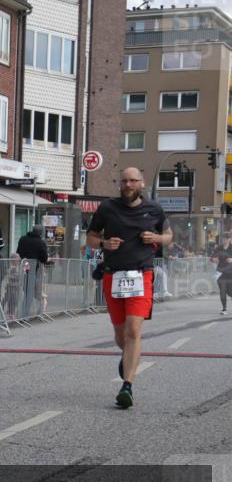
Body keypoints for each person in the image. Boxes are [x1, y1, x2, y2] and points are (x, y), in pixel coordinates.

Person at [86, 167, 171, 409]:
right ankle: (128, 357)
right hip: (113, 276)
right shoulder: (107, 208)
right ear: (120, 184)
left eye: (133, 180)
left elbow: (168, 235)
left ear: (141, 183)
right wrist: (104, 243)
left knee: (134, 330)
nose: (128, 184)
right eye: (124, 181)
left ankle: (127, 386)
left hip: (141, 275)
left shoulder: (154, 209)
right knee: (121, 335)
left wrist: (156, 239)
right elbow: (90, 238)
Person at [16, 224, 53, 317]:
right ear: (41, 233)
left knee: (26, 291)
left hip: (24, 268)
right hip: (35, 270)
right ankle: (25, 314)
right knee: (32, 292)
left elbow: (18, 252)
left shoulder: (22, 239)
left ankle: (24, 312)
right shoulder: (40, 243)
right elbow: (44, 258)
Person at [212, 230, 232, 314]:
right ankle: (224, 309)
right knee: (222, 291)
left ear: (229, 239)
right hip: (220, 272)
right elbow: (211, 257)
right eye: (223, 238)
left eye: (225, 238)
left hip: (230, 272)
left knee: (230, 291)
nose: (224, 240)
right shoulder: (219, 248)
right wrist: (214, 259)